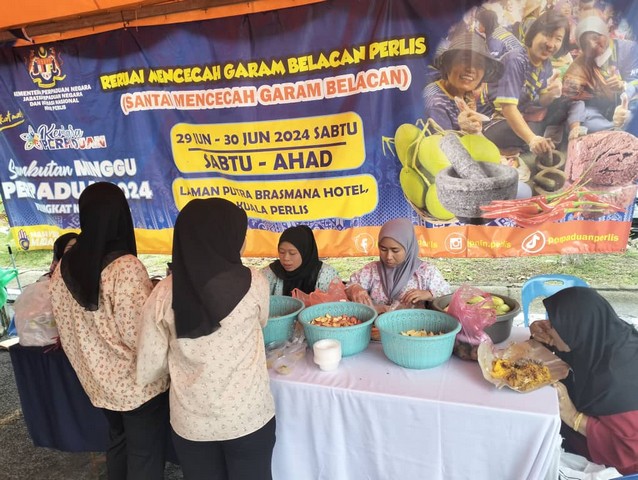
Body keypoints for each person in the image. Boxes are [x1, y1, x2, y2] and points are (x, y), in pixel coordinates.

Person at [136, 197, 276, 480]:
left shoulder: (162, 294)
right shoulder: (255, 283)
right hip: (247, 417)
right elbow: (262, 322)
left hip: (192, 423)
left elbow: (149, 367)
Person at [49, 182, 169, 480]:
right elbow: (140, 336)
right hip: (136, 385)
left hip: (96, 381)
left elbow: (65, 321)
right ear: (120, 215)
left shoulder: (63, 266)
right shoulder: (125, 268)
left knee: (119, 442)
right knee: (144, 454)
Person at [529, 287, 638, 475]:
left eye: (553, 325)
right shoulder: (605, 335)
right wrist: (547, 338)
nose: (548, 327)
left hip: (615, 466)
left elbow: (630, 450)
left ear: (575, 329)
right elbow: (578, 352)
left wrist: (573, 417)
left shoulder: (615, 381)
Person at [482, 9, 571, 157]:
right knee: (534, 131)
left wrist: (553, 94)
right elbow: (508, 109)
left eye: (558, 38)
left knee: (565, 104)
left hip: (523, 113)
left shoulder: (546, 64)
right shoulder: (515, 60)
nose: (551, 44)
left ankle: (535, 140)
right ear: (534, 33)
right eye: (547, 34)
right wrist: (532, 139)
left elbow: (542, 100)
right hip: (494, 121)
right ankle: (524, 145)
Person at [346, 218, 451, 313]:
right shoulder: (371, 270)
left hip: (413, 326)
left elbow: (447, 295)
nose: (388, 256)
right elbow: (349, 286)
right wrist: (355, 288)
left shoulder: (426, 272)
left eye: (395, 250)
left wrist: (428, 294)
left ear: (409, 247)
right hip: (375, 325)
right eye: (383, 249)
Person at [563, 14, 637, 138]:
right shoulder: (579, 66)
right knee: (583, 120)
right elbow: (573, 99)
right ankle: (614, 132)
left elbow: (635, 79)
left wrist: (624, 87)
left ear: (605, 34)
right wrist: (575, 126)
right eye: (586, 43)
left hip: (628, 105)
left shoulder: (629, 49)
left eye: (595, 37)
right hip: (600, 113)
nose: (592, 45)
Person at [424, 32, 504, 135]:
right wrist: (468, 132)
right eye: (464, 60)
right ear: (448, 64)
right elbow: (445, 143)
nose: (471, 69)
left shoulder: (465, 95)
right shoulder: (436, 104)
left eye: (479, 64)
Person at [263, 224, 341, 296]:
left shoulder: (326, 274)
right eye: (282, 252)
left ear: (305, 253)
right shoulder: (271, 273)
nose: (286, 258)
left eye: (292, 253)